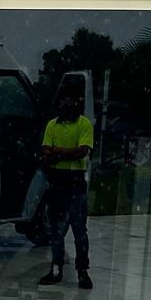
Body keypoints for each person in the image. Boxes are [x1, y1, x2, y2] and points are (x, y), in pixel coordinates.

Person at [39, 88, 94, 289]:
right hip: (57, 183)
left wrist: (57, 152)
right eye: (62, 101)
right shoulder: (52, 125)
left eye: (69, 101)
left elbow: (82, 152)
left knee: (80, 231)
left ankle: (82, 271)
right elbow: (45, 152)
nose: (65, 105)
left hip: (76, 183)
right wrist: (64, 153)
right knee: (56, 231)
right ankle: (56, 269)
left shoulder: (84, 124)